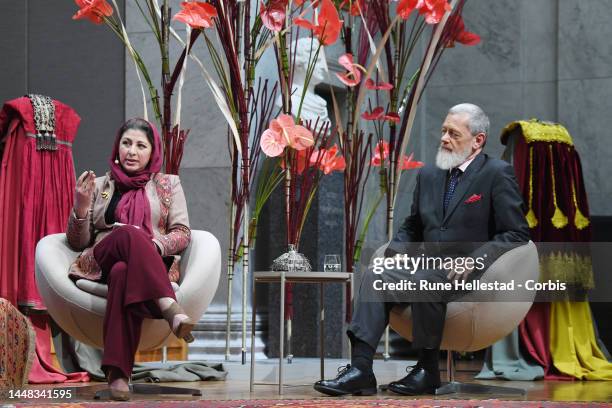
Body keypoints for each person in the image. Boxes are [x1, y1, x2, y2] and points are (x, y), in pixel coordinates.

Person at [314, 103, 530, 396]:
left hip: (472, 274)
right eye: (443, 131)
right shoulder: (429, 174)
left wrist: (476, 260)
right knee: (376, 273)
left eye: (453, 134)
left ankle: (428, 369)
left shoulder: (497, 173)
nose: (443, 139)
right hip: (426, 267)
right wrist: (395, 254)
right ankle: (361, 369)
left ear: (478, 140)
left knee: (424, 279)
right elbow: (413, 224)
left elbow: (516, 232)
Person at [66, 118, 193, 400]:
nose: (131, 151)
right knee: (126, 236)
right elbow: (78, 242)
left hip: (143, 267)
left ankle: (118, 374)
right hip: (100, 261)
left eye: (140, 145)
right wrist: (81, 208)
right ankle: (168, 305)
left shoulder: (168, 185)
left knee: (123, 271)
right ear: (117, 147)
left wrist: (155, 246)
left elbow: (183, 233)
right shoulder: (99, 185)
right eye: (126, 143)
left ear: (152, 152)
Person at [276, 37, 331, 133]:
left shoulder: (321, 105)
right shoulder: (289, 102)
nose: (323, 67)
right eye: (317, 61)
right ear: (299, 64)